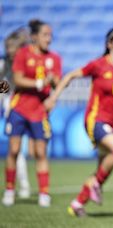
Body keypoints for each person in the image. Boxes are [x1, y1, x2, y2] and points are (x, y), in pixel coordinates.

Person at [44, 27, 113, 217]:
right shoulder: (98, 65)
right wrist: (54, 97)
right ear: (110, 44)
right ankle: (95, 186)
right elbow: (70, 75)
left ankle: (77, 204)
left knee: (103, 168)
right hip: (95, 119)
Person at [2, 19, 61, 207]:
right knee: (14, 150)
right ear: (34, 37)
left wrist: (52, 84)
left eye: (50, 35)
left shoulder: (54, 58)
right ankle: (10, 189)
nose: (49, 39)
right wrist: (40, 82)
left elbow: (57, 82)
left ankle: (44, 193)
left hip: (39, 111)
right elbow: (17, 80)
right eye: (45, 35)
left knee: (40, 152)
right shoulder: (22, 54)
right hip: (19, 108)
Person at [1, 27, 33, 200]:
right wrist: (5, 95)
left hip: (30, 105)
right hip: (13, 105)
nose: (9, 51)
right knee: (16, 149)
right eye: (7, 48)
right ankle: (22, 185)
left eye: (12, 48)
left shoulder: (26, 60)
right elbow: (2, 83)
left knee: (31, 150)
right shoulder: (4, 63)